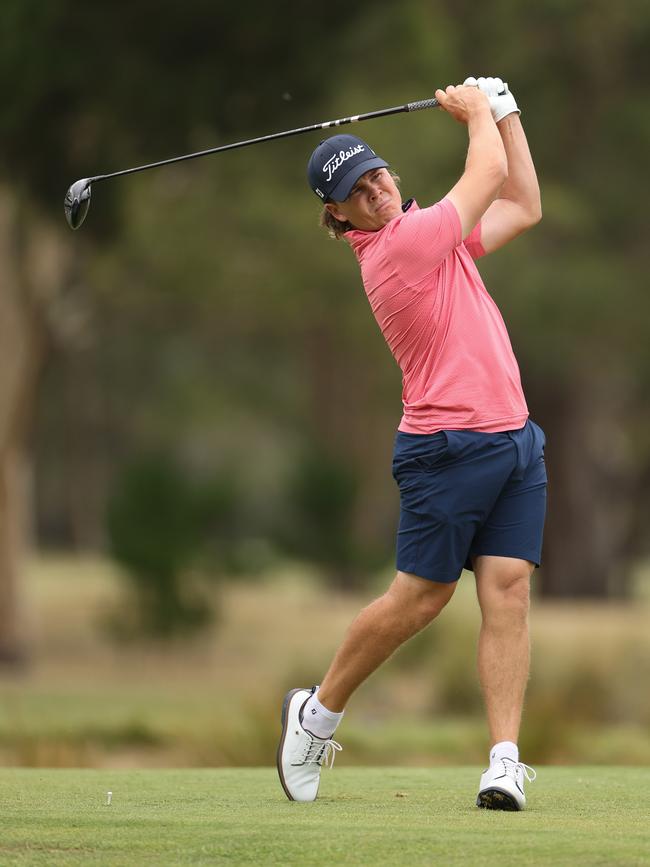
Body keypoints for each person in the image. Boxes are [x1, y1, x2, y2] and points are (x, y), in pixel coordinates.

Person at [277, 77, 545, 811]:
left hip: (514, 439)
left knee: (508, 592)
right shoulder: (396, 250)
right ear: (338, 215)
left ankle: (503, 761)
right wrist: (477, 111)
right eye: (355, 191)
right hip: (448, 448)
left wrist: (508, 111)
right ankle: (317, 713)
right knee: (419, 600)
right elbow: (485, 173)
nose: (375, 190)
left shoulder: (436, 233)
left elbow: (523, 203)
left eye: (376, 173)